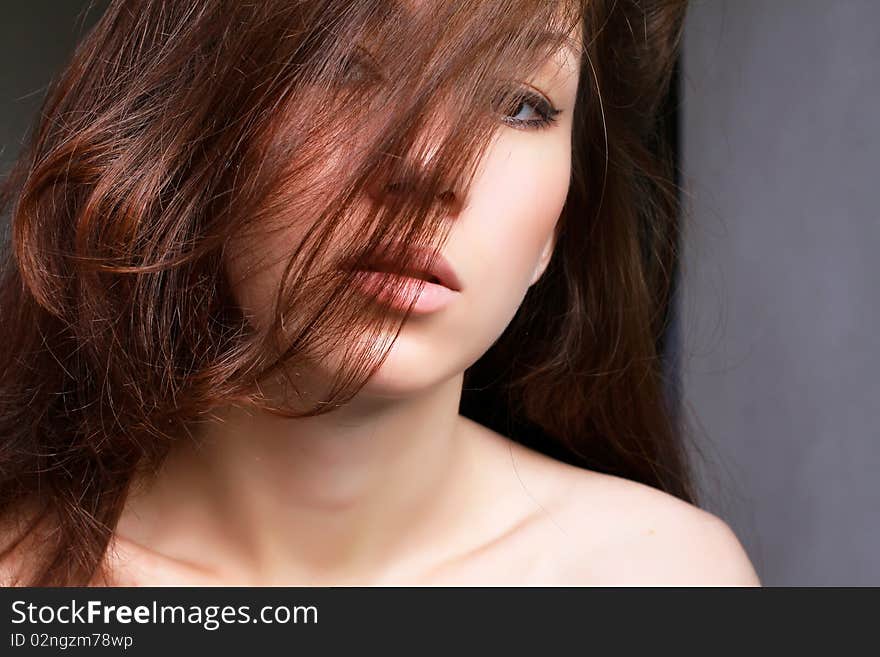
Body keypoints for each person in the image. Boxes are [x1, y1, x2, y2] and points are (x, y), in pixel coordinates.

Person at [0, 0, 760, 586]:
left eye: (521, 102)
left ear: (554, 231)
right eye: (348, 67)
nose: (430, 166)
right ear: (198, 122)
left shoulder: (662, 577)